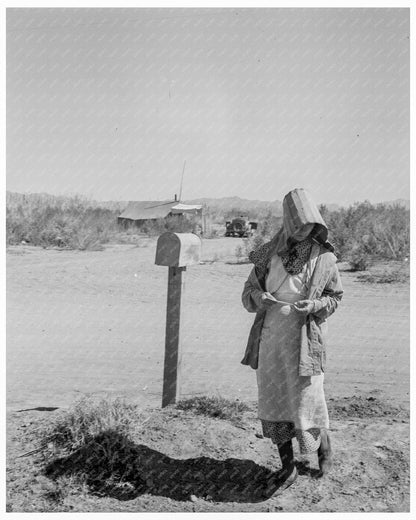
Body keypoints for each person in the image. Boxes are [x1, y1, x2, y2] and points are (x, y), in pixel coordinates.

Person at [241, 188, 343, 496]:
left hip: (305, 342)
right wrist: (260, 296)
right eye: (298, 225)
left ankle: (324, 448)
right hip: (271, 340)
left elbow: (335, 298)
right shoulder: (266, 253)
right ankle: (287, 467)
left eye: (310, 225)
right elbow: (248, 292)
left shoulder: (324, 257)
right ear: (287, 223)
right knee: (274, 402)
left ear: (317, 224)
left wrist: (313, 306)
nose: (304, 231)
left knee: (308, 400)